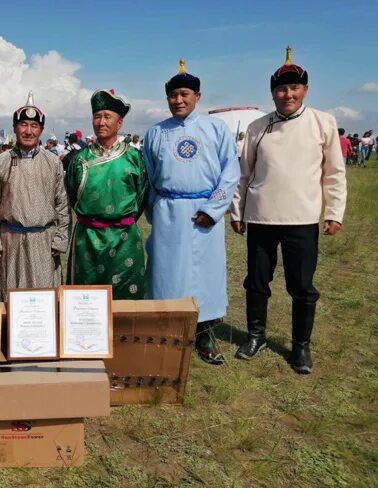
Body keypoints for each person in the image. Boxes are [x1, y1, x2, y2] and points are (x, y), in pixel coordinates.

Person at [230, 47, 347, 374]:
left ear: (305, 90)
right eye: (281, 89)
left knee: (302, 286)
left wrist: (334, 211)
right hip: (261, 218)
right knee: (256, 281)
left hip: (302, 219)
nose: (287, 94)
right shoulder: (257, 127)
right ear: (273, 93)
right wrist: (237, 212)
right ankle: (256, 336)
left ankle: (300, 347)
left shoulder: (322, 122)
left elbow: (334, 172)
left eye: (294, 88)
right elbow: (244, 173)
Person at [143, 59, 240, 364]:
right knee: (167, 276)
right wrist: (154, 210)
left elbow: (230, 171)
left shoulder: (215, 128)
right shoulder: (155, 133)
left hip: (203, 214)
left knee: (205, 277)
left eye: (185, 94)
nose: (178, 100)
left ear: (197, 96)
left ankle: (205, 336)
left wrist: (213, 209)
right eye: (173, 95)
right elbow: (148, 175)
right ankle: (167, 334)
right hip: (168, 212)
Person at [0, 92, 70, 301]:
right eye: (23, 125)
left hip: (43, 241)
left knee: (43, 299)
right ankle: (7, 334)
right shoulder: (1, 161)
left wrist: (59, 239)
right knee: (9, 297)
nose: (28, 131)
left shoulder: (53, 163)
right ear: (15, 128)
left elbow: (62, 204)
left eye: (34, 126)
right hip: (9, 241)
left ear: (41, 130)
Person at [65, 89, 147, 298]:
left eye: (107, 117)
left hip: (124, 239)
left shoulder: (134, 157)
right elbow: (73, 195)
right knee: (85, 302)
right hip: (88, 239)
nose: (101, 122)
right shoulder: (79, 159)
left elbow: (141, 195)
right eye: (97, 116)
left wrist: (119, 218)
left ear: (119, 123)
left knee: (126, 300)